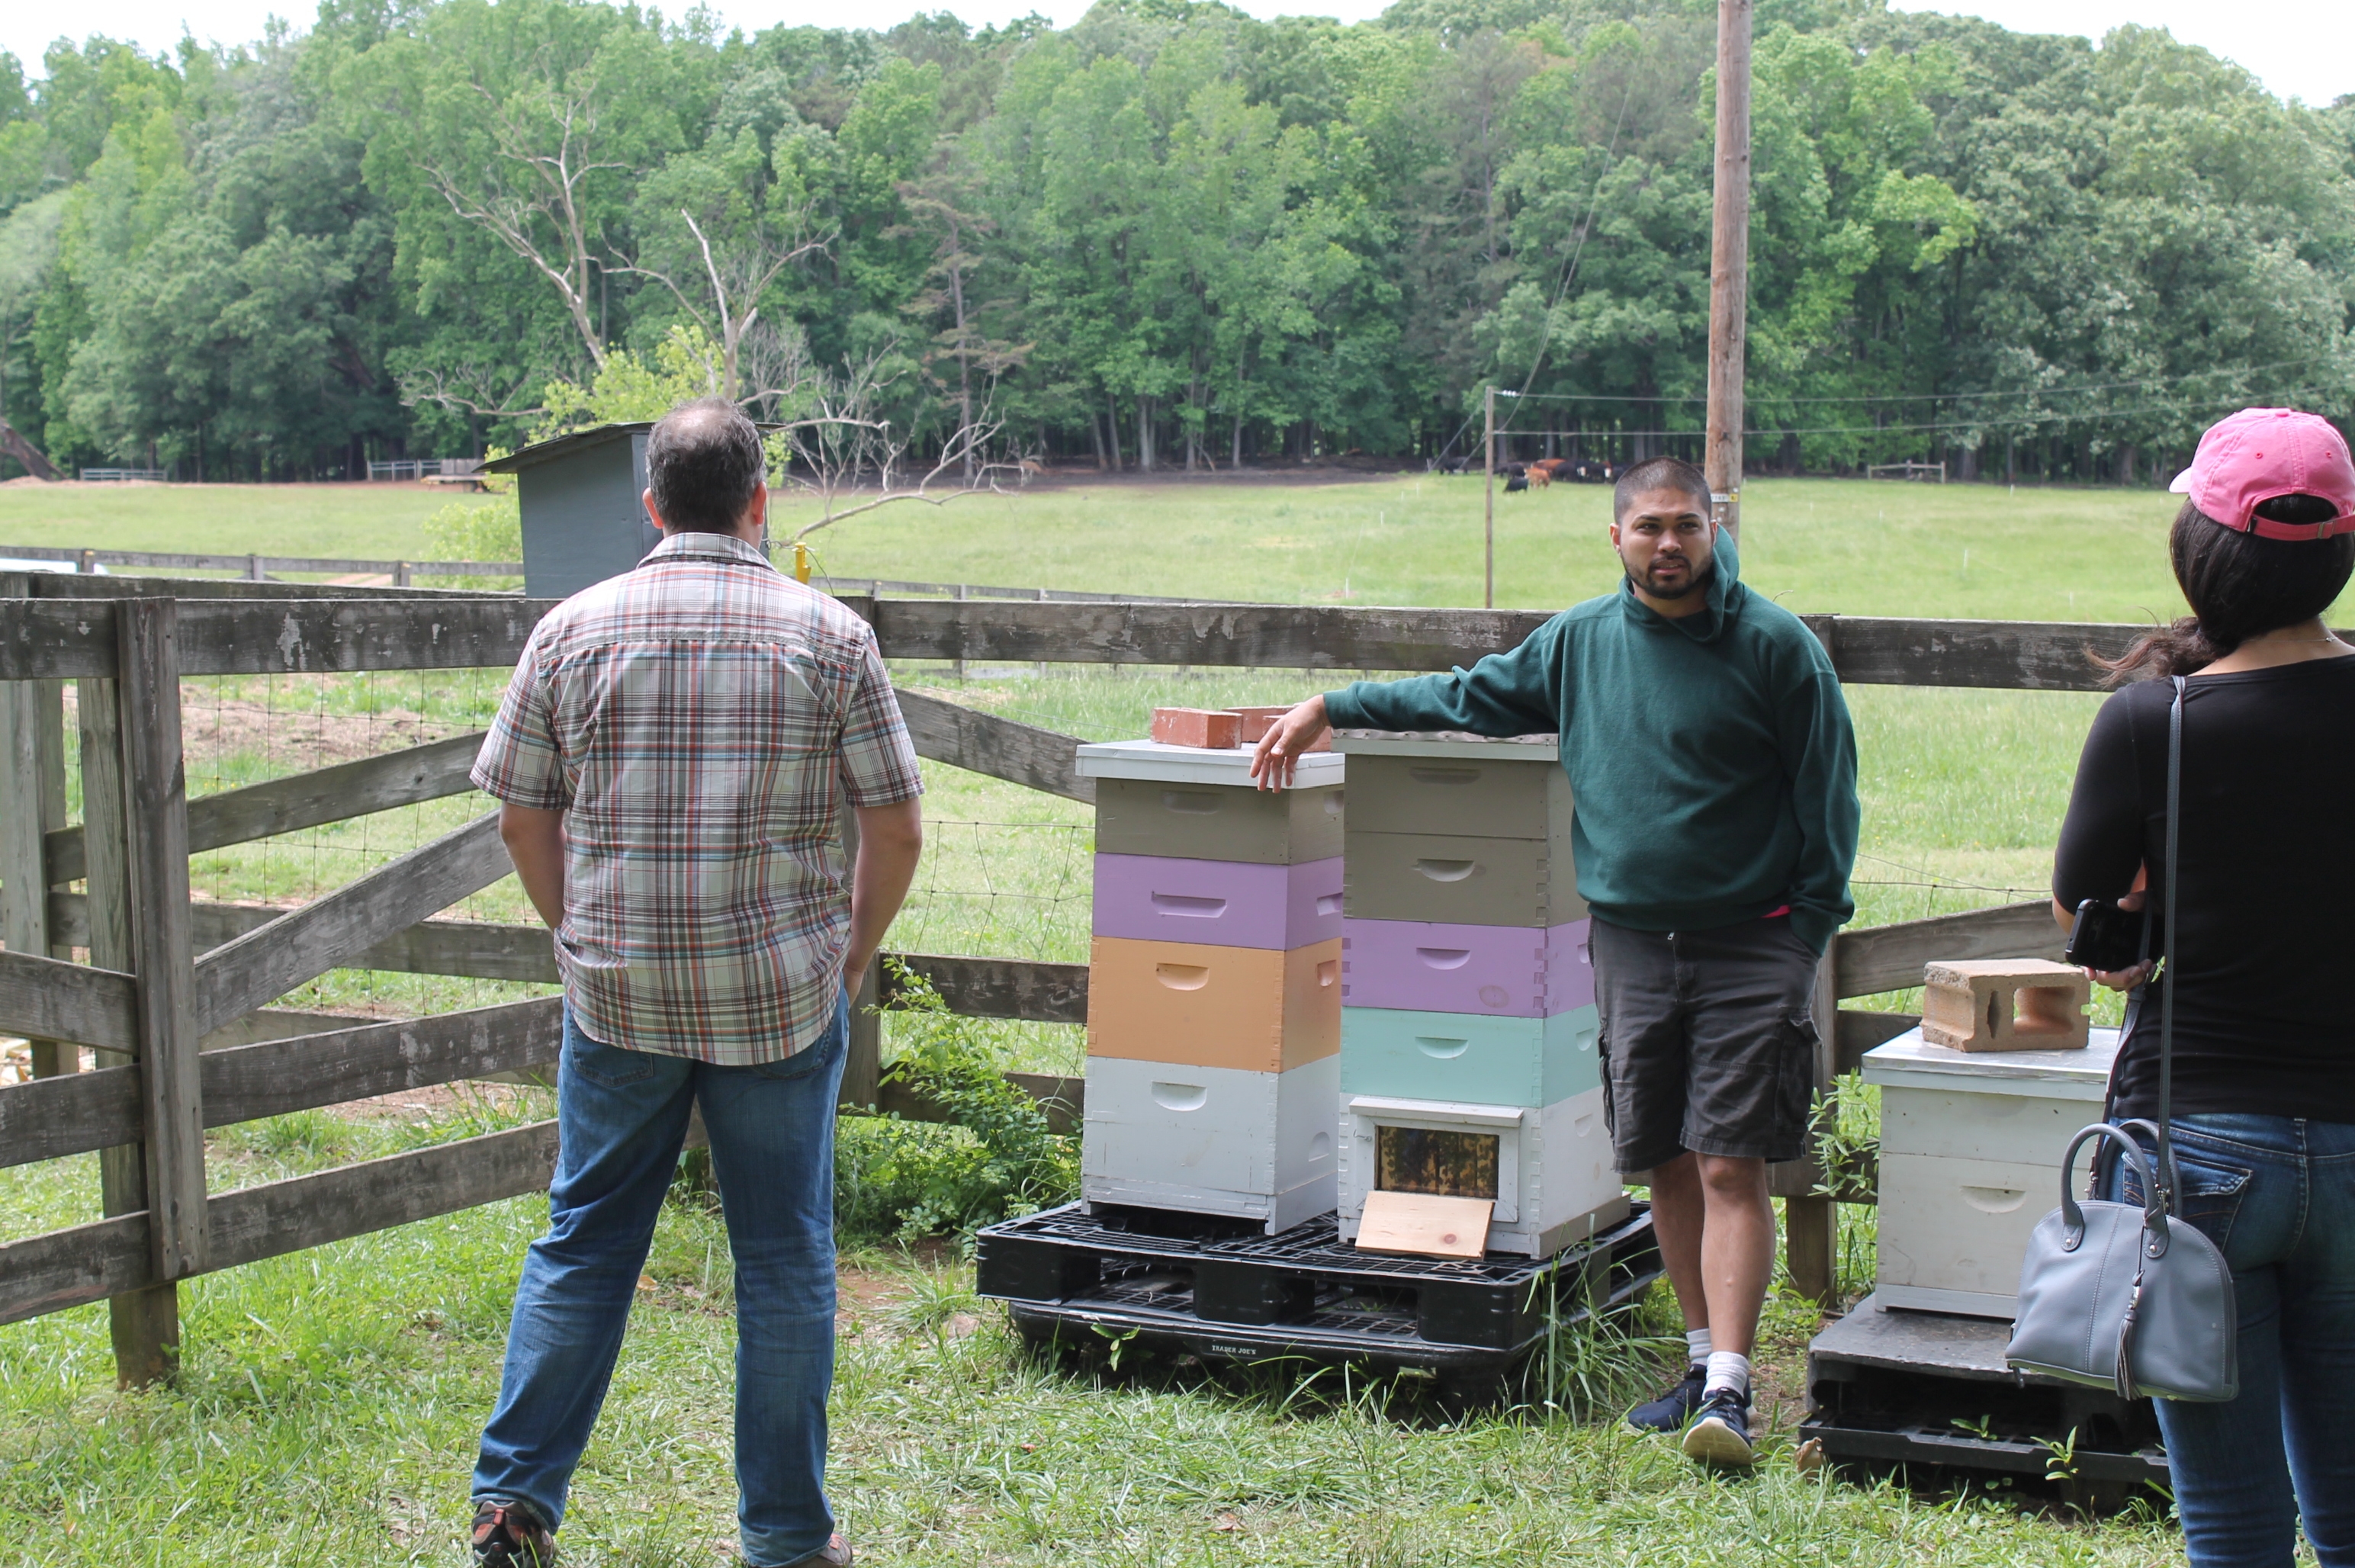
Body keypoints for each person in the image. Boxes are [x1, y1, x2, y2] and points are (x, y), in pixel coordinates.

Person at [1252, 454, 1857, 1467]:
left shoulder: (1777, 650)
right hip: (1628, 941)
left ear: (1714, 531)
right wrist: (1333, 704)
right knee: (1658, 1157)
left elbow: (1828, 805)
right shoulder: (1580, 644)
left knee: (1730, 1161)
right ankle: (1698, 1366)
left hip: (1752, 940)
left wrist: (1804, 936)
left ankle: (1736, 1391)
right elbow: (1464, 696)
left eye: (1686, 527)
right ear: (1615, 538)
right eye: (1649, 527)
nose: (1669, 544)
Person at [464, 400, 926, 1568]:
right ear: (760, 500)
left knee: (585, 1240)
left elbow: (522, 816)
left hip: (618, 998)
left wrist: (580, 930)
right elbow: (899, 827)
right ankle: (783, 1539)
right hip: (778, 996)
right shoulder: (830, 638)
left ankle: (512, 1506)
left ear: (652, 502)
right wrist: (850, 957)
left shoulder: (572, 630)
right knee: (782, 1260)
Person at [2052, 406, 2355, 1568]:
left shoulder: (2157, 718)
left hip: (2202, 1148)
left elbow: (2092, 917)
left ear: (2204, 547)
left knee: (2232, 1525)